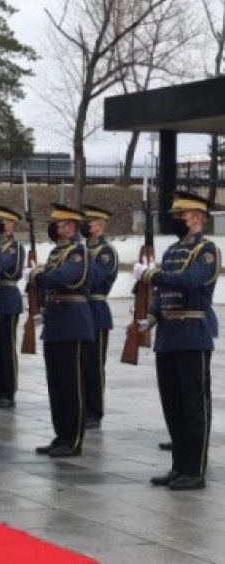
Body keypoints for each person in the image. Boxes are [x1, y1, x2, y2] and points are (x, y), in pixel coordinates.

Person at [136, 191, 220, 491]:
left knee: (194, 405)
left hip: (192, 331)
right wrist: (152, 317)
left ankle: (195, 470)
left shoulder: (207, 251)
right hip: (168, 335)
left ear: (197, 218)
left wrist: (152, 275)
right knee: (172, 403)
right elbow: (162, 295)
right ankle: (179, 466)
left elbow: (188, 282)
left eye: (181, 215)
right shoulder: (172, 251)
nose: (177, 220)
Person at [30, 204, 93, 458]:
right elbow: (48, 280)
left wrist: (37, 275)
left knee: (71, 384)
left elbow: (62, 278)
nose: (56, 228)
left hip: (73, 321)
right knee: (55, 384)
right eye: (56, 224)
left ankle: (73, 439)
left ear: (71, 227)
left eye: (61, 224)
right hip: (56, 321)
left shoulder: (79, 253)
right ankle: (61, 435)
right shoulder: (57, 252)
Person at [80, 205, 118, 429]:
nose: (87, 225)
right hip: (79, 311)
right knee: (80, 364)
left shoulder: (106, 253)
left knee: (94, 365)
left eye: (91, 222)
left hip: (96, 309)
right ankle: (81, 406)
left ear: (101, 226)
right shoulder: (82, 249)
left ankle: (94, 411)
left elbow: (95, 278)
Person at [0, 206, 25, 409]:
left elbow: (5, 267)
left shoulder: (14, 247)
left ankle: (8, 390)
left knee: (6, 348)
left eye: (7, 221)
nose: (4, 224)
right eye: (2, 220)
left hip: (7, 300)